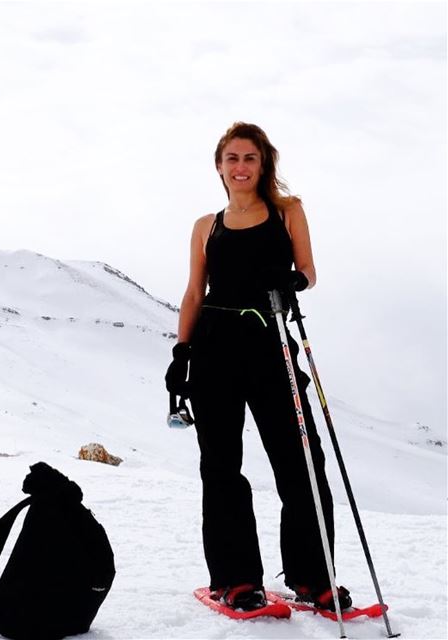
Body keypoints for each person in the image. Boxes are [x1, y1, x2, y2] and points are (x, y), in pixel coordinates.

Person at [165, 121, 351, 612]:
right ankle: (236, 579)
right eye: (232, 159)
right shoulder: (207, 226)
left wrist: (292, 279)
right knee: (222, 466)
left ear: (263, 163)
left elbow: (308, 271)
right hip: (213, 349)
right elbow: (193, 292)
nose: (240, 167)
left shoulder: (287, 212)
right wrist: (180, 354)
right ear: (219, 166)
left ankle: (315, 578)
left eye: (249, 158)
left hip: (270, 347)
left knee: (302, 462)